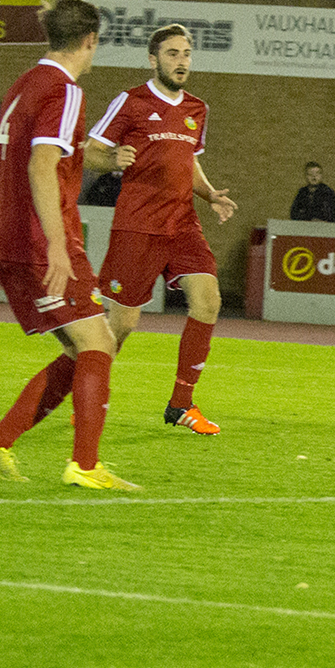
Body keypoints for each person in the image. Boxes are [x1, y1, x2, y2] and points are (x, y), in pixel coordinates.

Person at [0, 0, 139, 491]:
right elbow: (40, 164)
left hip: (12, 240)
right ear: (89, 41)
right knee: (100, 341)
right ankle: (85, 466)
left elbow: (1, 170)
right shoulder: (64, 91)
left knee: (82, 347)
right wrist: (59, 248)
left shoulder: (22, 86)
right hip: (43, 243)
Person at [88, 22, 238, 436]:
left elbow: (187, 160)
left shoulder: (197, 109)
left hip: (183, 222)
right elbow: (91, 151)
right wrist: (111, 160)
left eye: (186, 54)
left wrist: (209, 195)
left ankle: (181, 404)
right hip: (138, 225)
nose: (181, 61)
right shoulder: (131, 101)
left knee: (208, 301)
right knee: (122, 324)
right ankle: (85, 390)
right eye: (172, 54)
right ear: (153, 59)